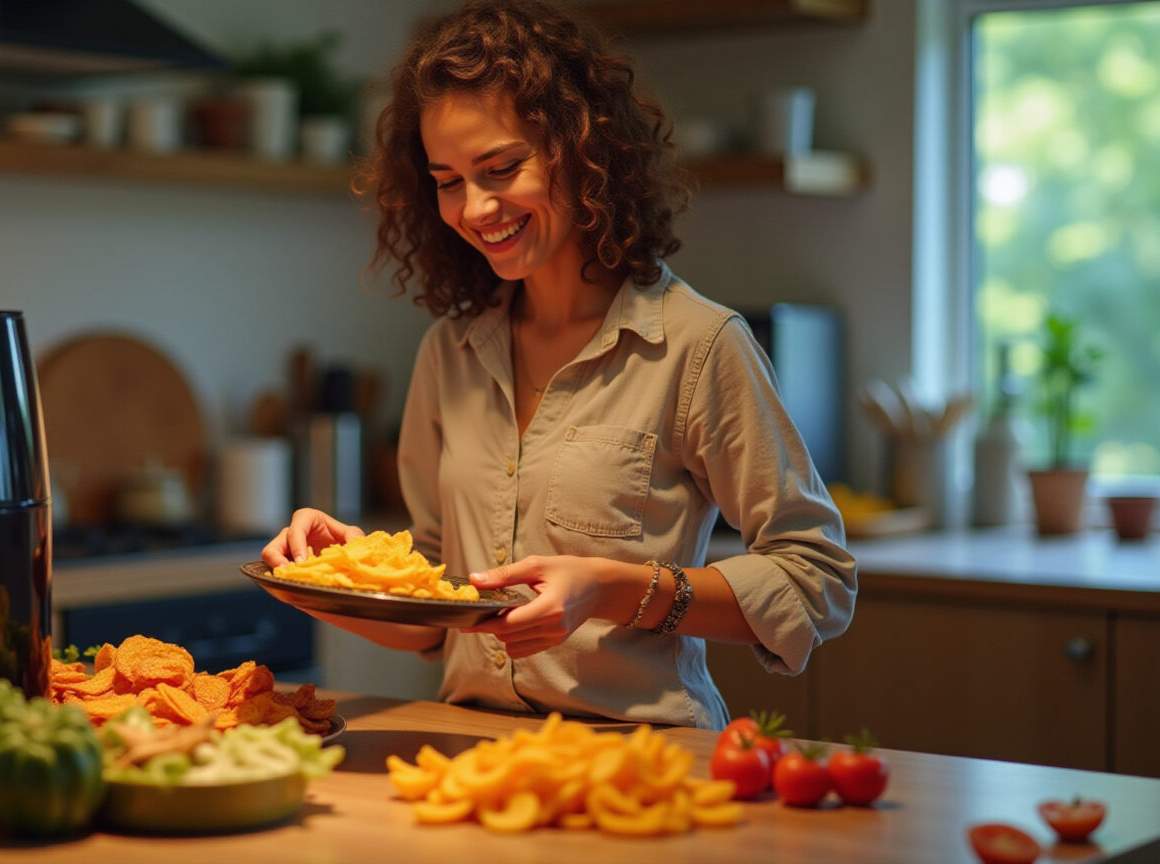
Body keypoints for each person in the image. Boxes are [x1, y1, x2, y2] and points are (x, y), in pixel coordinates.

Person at [262, 0, 856, 728]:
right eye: (448, 180)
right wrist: (321, 580)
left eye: (501, 168)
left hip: (642, 756)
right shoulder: (449, 353)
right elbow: (433, 619)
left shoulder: (697, 344)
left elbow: (816, 580)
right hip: (475, 753)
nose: (475, 208)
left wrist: (608, 590)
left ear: (583, 151)